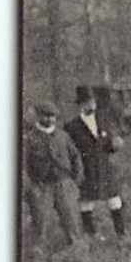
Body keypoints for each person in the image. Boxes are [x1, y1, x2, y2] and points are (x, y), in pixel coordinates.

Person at [64, 84, 125, 237]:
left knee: (114, 198)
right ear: (80, 104)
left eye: (92, 101)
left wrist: (114, 146)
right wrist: (75, 169)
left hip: (104, 166)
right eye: (87, 101)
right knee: (86, 201)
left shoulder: (103, 118)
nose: (91, 104)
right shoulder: (72, 126)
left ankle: (121, 233)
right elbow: (70, 151)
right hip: (86, 168)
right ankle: (90, 234)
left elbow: (108, 144)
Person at [23, 101, 82, 249]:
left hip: (64, 182)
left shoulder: (63, 136)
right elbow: (24, 164)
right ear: (38, 116)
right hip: (42, 186)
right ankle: (38, 251)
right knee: (40, 219)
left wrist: (76, 179)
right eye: (46, 116)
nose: (50, 119)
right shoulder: (30, 139)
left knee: (71, 217)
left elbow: (75, 157)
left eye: (53, 116)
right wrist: (30, 187)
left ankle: (75, 248)